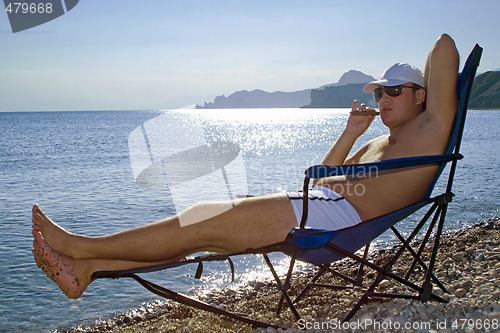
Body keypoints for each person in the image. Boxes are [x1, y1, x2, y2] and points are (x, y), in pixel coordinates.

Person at [32, 34, 459, 299]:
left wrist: (427, 94)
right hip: (322, 203)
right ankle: (87, 268)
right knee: (205, 230)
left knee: (202, 218)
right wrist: (351, 131)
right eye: (380, 91)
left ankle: (82, 247)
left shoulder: (429, 129)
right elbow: (328, 174)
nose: (383, 99)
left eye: (395, 91)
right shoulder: (384, 141)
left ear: (422, 96)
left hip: (337, 219)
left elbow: (444, 46)